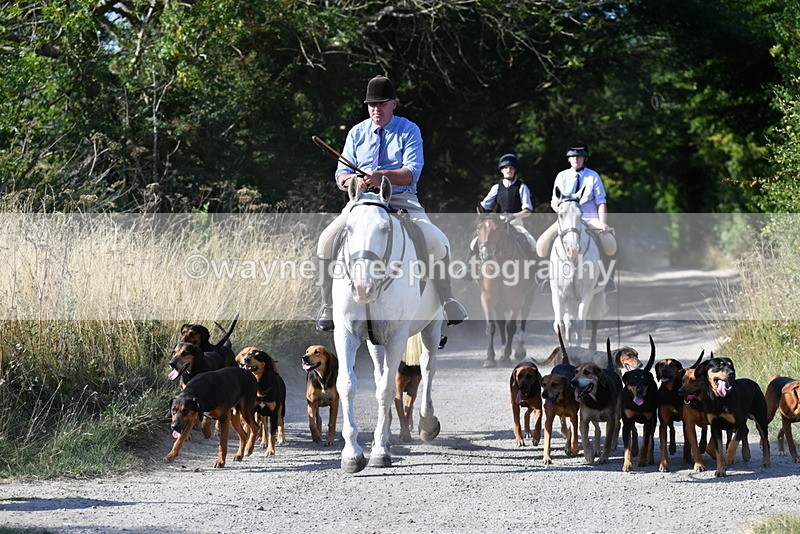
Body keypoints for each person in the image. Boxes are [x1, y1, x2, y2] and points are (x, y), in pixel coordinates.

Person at [315, 75, 468, 331]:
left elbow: (411, 172)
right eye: (371, 104)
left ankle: (448, 300)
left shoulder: (409, 130)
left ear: (394, 103)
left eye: (382, 103)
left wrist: (380, 176)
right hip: (362, 203)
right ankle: (327, 305)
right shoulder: (356, 133)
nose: (376, 109)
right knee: (326, 240)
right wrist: (354, 181)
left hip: (401, 200)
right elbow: (340, 176)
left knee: (437, 241)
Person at [536, 141, 617, 292]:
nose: (576, 159)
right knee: (542, 244)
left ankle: (607, 279)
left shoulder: (593, 177)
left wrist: (603, 223)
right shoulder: (561, 176)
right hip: (567, 221)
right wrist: (560, 210)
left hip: (589, 219)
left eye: (579, 156)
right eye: (572, 156)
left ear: (584, 158)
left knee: (610, 244)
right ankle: (547, 278)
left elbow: (601, 202)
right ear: (568, 159)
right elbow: (554, 201)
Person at [471, 153, 537, 258]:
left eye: (511, 168)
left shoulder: (522, 187)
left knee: (532, 243)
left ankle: (534, 270)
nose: (508, 170)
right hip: (497, 222)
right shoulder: (496, 188)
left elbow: (527, 211)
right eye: (505, 168)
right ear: (502, 170)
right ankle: (468, 267)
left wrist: (513, 216)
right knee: (474, 242)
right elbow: (484, 206)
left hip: (515, 222)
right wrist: (483, 216)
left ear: (515, 170)